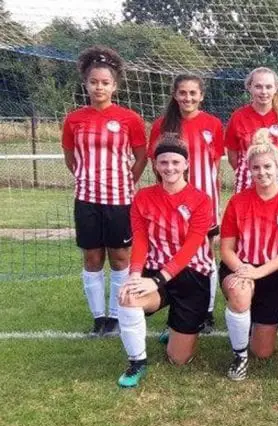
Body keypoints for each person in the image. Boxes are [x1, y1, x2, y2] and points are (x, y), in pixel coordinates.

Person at [61, 45, 147, 337]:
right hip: (86, 199)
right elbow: (70, 158)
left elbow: (140, 156)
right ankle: (99, 318)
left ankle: (117, 314)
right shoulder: (74, 119)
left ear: (114, 86)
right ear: (86, 83)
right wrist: (88, 178)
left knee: (121, 258)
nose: (99, 87)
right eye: (94, 82)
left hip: (120, 200)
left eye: (105, 82)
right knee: (92, 258)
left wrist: (125, 180)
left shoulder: (129, 119)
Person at [116, 135, 213, 388]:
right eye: (164, 162)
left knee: (178, 359)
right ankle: (137, 362)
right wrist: (136, 274)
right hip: (155, 271)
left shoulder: (201, 199)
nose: (170, 167)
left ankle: (179, 327)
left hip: (192, 274)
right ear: (155, 165)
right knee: (128, 297)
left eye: (175, 162)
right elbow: (140, 239)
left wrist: (158, 280)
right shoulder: (143, 197)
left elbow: (192, 247)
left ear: (186, 164)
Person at [218, 129, 278, 381]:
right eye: (256, 168)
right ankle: (239, 355)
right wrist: (245, 270)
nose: (262, 172)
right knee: (241, 291)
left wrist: (259, 272)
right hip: (240, 266)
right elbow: (226, 249)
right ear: (249, 169)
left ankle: (247, 324)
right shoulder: (237, 201)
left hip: (273, 271)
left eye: (267, 166)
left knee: (264, 352)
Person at [150, 74, 224, 333]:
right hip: (171, 204)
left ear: (201, 96)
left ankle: (208, 309)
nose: (188, 98)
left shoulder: (213, 124)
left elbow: (215, 165)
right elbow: (156, 164)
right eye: (183, 93)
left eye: (193, 93)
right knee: (172, 249)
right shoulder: (162, 125)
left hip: (204, 202)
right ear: (175, 95)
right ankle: (178, 309)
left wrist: (212, 196)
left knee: (205, 253)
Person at [225, 67, 278, 193]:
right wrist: (252, 174)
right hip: (248, 185)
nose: (264, 91)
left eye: (268, 87)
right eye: (258, 86)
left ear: (276, 88)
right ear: (249, 87)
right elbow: (233, 157)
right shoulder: (238, 117)